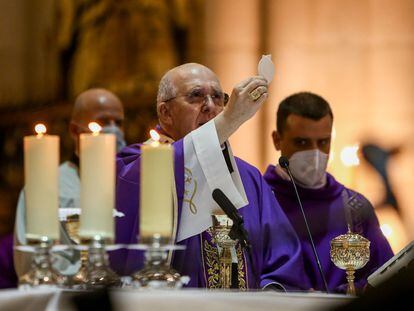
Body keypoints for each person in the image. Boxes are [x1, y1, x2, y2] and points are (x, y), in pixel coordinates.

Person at [112, 63, 310, 290]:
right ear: (165, 113)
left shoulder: (249, 178)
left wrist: (270, 295)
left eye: (218, 98)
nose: (210, 106)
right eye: (196, 96)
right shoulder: (138, 166)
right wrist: (229, 121)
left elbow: (283, 260)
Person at [263, 92, 394, 293]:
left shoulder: (355, 207)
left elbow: (386, 277)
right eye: (302, 143)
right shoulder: (259, 200)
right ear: (277, 140)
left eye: (323, 142)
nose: (315, 154)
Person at [14, 88, 126, 279]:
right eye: (103, 121)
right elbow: (30, 260)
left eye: (119, 123)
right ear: (75, 130)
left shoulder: (130, 180)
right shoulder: (48, 185)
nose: (113, 129)